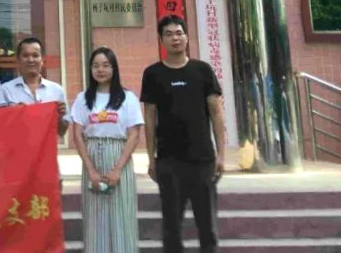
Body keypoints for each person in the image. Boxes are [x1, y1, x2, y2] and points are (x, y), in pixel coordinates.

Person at [141, 15, 226, 253]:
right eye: (168, 34)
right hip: (169, 161)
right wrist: (151, 159)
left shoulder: (202, 70)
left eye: (179, 33)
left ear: (187, 37)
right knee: (171, 229)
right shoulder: (153, 73)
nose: (175, 38)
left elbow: (216, 112)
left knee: (207, 227)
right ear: (161, 40)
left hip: (203, 160)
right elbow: (149, 118)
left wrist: (221, 154)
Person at [70, 46, 143, 253]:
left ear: (114, 68)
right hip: (92, 155)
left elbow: (134, 135)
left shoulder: (128, 98)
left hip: (119, 156)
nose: (100, 70)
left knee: (122, 217)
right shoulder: (83, 99)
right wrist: (91, 170)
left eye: (105, 65)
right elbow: (77, 135)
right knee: (94, 219)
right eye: (95, 66)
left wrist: (118, 169)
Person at [1, 36, 69, 136]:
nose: (30, 60)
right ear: (18, 60)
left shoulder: (56, 90)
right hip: (16, 145)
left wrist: (59, 117)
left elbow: (62, 132)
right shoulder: (5, 90)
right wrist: (14, 115)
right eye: (25, 55)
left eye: (35, 55)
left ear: (42, 60)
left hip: (47, 146)